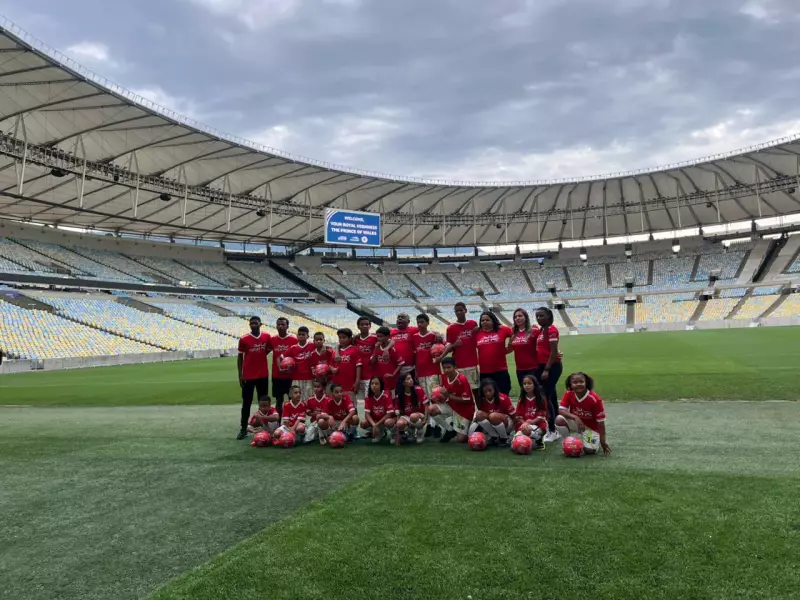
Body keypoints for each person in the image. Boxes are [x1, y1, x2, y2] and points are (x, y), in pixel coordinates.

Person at [556, 372, 611, 457]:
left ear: (586, 383)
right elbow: (561, 410)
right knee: (559, 419)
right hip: (577, 423)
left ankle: (589, 443)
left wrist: (603, 441)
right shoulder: (569, 393)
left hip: (590, 428)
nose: (578, 384)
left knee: (590, 451)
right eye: (575, 382)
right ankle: (567, 442)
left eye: (581, 382)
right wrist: (575, 417)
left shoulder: (594, 399)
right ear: (570, 384)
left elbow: (601, 423)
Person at [237, 316, 271, 440]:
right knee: (246, 403)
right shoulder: (244, 339)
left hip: (263, 375)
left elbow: (267, 350)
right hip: (248, 376)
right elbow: (240, 357)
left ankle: (266, 428)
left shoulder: (267, 337)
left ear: (260, 324)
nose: (253, 325)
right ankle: (243, 428)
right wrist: (240, 375)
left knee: (264, 403)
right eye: (251, 323)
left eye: (255, 323)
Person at [429, 357, 475, 443]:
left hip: (463, 410)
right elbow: (445, 395)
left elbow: (467, 400)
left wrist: (447, 395)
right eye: (444, 368)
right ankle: (450, 430)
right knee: (431, 409)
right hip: (451, 405)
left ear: (455, 367)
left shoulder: (462, 379)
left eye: (449, 367)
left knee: (460, 439)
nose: (446, 370)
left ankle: (473, 426)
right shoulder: (443, 377)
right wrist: (436, 395)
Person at [535, 307, 563, 444]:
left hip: (551, 367)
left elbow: (553, 352)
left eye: (542, 316)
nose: (539, 318)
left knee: (545, 395)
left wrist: (547, 369)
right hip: (542, 366)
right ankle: (556, 423)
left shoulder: (551, 330)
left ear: (549, 316)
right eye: (537, 316)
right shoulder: (542, 330)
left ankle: (553, 430)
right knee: (551, 395)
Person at [412, 314, 442, 438]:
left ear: (427, 323)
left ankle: (438, 426)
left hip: (433, 371)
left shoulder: (433, 336)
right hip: (421, 373)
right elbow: (415, 355)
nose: (420, 324)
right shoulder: (414, 337)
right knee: (426, 400)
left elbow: (441, 346)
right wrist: (415, 371)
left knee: (435, 398)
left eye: (422, 322)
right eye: (418, 322)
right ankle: (430, 425)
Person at [441, 302, 479, 397]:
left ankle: (478, 411)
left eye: (461, 310)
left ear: (465, 310)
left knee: (476, 391)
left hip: (472, 364)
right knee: (460, 391)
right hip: (458, 365)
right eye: (456, 311)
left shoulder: (473, 324)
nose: (459, 312)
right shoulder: (451, 328)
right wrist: (454, 345)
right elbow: (449, 348)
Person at [475, 311, 513, 395]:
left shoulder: (502, 329)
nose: (484, 322)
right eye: (482, 320)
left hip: (501, 370)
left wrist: (509, 347)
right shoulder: (477, 333)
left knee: (503, 395)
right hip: (485, 372)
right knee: (487, 396)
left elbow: (515, 334)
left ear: (493, 320)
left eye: (487, 320)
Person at [470, 378, 515, 447]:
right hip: (492, 423)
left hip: (506, 423)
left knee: (493, 416)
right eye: (485, 392)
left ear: (494, 389)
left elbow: (513, 415)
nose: (488, 393)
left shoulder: (503, 398)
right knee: (478, 414)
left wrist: (514, 429)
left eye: (490, 390)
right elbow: (483, 414)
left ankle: (504, 438)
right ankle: (494, 437)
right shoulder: (482, 400)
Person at [270, 317, 298, 414]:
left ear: (287, 326)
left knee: (293, 400)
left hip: (290, 376)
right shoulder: (272, 339)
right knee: (278, 401)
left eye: (283, 324)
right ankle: (278, 423)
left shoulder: (294, 339)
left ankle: (292, 422)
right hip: (277, 375)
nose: (280, 326)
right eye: (279, 324)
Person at [514, 374, 549, 449]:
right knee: (514, 445)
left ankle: (539, 439)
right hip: (525, 425)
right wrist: (524, 423)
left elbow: (542, 416)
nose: (527, 385)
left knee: (527, 430)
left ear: (535, 385)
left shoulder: (541, 399)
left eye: (529, 383)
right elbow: (518, 416)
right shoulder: (521, 400)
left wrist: (531, 422)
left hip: (538, 424)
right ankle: (527, 439)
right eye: (524, 383)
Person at [361, 376, 397, 443]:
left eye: (376, 383)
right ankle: (380, 433)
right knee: (363, 423)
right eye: (372, 383)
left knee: (388, 422)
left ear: (381, 385)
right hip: (376, 420)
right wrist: (374, 425)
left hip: (387, 419)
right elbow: (367, 414)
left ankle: (394, 434)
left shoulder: (386, 395)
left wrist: (376, 424)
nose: (374, 386)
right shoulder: (368, 397)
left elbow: (389, 414)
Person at [395, 373, 429, 444]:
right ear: (403, 383)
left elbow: (426, 405)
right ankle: (411, 433)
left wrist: (425, 419)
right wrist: (397, 434)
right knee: (400, 423)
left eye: (411, 378)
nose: (411, 380)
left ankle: (420, 432)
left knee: (413, 416)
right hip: (407, 416)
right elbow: (398, 413)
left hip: (419, 416)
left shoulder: (418, 389)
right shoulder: (399, 395)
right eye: (408, 379)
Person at [508, 308, 538, 386]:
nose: (517, 318)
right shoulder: (513, 334)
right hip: (520, 369)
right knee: (524, 391)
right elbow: (509, 349)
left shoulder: (534, 331)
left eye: (520, 316)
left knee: (536, 392)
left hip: (533, 368)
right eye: (515, 317)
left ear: (526, 317)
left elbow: (543, 345)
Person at [331, 328, 362, 402]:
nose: (341, 339)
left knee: (352, 405)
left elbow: (358, 365)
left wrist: (357, 381)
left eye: (344, 337)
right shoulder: (335, 351)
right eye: (340, 338)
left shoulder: (355, 349)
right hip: (337, 383)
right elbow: (331, 364)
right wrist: (332, 369)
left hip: (350, 384)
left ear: (350, 338)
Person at [372, 326, 403, 396]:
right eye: (378, 336)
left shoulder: (393, 349)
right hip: (379, 381)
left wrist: (393, 374)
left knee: (391, 400)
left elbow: (400, 363)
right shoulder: (376, 347)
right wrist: (376, 351)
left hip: (390, 382)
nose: (379, 338)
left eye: (381, 336)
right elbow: (372, 362)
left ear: (388, 336)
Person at [287, 327, 315, 400]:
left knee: (309, 399)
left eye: (303, 334)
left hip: (309, 377)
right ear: (297, 336)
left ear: (308, 336)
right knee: (297, 399)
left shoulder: (312, 345)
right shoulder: (293, 348)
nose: (301, 336)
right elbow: (281, 357)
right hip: (296, 377)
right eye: (299, 334)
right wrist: (284, 367)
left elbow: (324, 349)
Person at [355, 317, 378, 403]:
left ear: (370, 326)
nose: (365, 326)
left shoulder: (375, 338)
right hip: (357, 376)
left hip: (370, 376)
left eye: (367, 324)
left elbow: (389, 340)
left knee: (369, 400)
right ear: (358, 326)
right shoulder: (355, 340)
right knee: (357, 402)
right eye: (362, 324)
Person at [391, 312, 418, 380]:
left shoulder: (414, 330)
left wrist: (437, 334)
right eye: (398, 317)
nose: (399, 318)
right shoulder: (391, 332)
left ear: (408, 321)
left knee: (408, 388)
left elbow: (426, 332)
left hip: (409, 368)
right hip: (394, 367)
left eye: (402, 317)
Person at [304, 379, 329, 445]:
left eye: (318, 387)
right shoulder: (310, 399)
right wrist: (314, 414)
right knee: (307, 439)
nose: (316, 389)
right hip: (314, 422)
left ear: (323, 388)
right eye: (315, 387)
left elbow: (328, 414)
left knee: (320, 420)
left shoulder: (328, 399)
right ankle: (317, 433)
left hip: (325, 422)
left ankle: (322, 436)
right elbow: (308, 412)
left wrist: (320, 415)